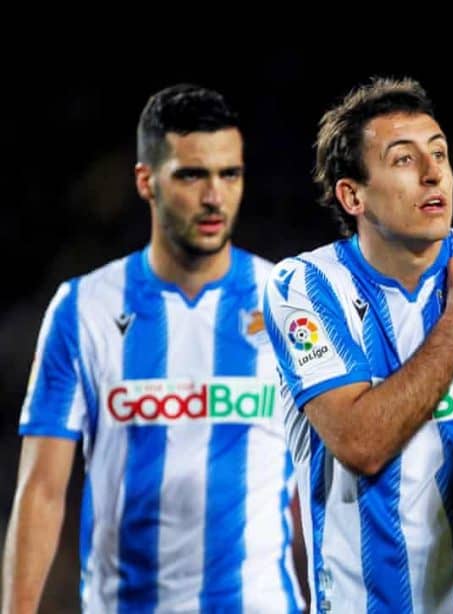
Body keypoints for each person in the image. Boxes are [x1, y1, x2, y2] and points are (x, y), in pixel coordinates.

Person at [1, 84, 303, 613]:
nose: (214, 196)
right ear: (146, 181)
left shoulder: (288, 302)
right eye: (191, 175)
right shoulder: (83, 309)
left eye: (229, 174)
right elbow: (42, 490)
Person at [262, 76, 453, 614]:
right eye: (403, 159)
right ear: (353, 195)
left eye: (438, 153)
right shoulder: (305, 286)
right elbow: (361, 443)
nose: (432, 172)